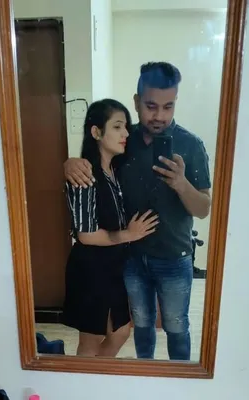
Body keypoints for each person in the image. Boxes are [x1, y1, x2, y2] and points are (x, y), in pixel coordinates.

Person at [64, 62, 211, 361]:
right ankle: (144, 376)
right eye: (151, 106)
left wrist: (181, 184)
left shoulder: (191, 145)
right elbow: (94, 164)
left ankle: (178, 381)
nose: (159, 116)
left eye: (168, 106)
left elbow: (204, 209)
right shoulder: (124, 141)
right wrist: (69, 163)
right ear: (136, 101)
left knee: (176, 327)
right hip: (130, 258)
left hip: (174, 256)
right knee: (140, 327)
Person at [62, 98, 159, 357]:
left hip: (113, 266)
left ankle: (95, 375)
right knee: (92, 339)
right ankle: (85, 379)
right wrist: (129, 234)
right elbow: (86, 235)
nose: (125, 133)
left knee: (120, 332)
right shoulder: (85, 174)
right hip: (91, 268)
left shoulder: (116, 169)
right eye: (117, 127)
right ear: (96, 132)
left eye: (126, 126)